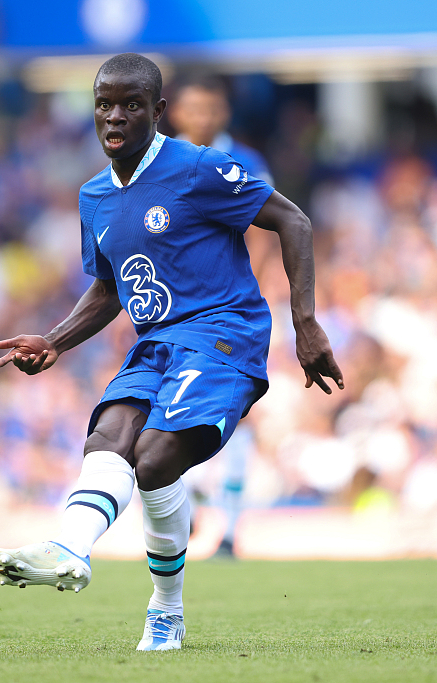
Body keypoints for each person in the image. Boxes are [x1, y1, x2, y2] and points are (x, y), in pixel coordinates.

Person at [0, 53, 343, 652]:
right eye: (104, 104)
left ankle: (163, 607)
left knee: (153, 458)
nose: (114, 116)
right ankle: (69, 548)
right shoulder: (93, 196)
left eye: (131, 105)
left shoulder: (198, 168)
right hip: (158, 342)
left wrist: (305, 323)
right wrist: (54, 340)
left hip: (225, 334)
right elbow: (106, 290)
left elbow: (293, 221)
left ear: (158, 112)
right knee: (108, 436)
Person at [169, 76, 273, 558]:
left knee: (235, 413)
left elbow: (270, 231)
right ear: (175, 112)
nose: (204, 118)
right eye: (195, 108)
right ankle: (187, 498)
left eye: (212, 108)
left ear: (224, 113)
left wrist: (261, 291)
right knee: (170, 409)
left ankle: (229, 529)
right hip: (175, 311)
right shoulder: (160, 164)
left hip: (231, 310)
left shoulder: (245, 164)